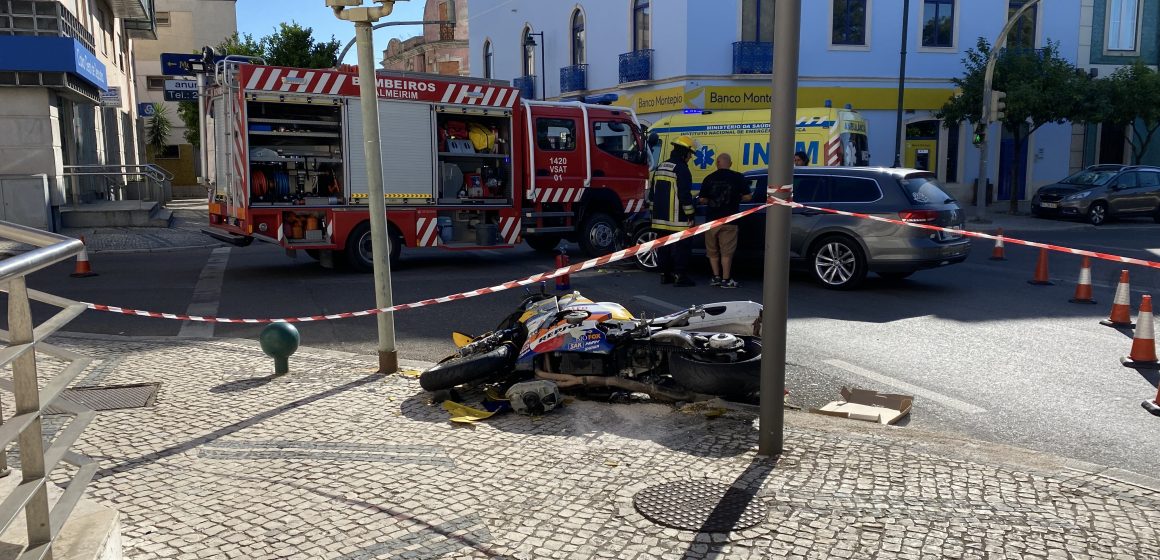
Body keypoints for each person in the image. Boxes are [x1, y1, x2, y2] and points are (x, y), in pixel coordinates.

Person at [649, 135, 698, 287]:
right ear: (684, 152)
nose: (690, 157)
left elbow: (652, 194)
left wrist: (653, 213)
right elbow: (684, 195)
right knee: (682, 248)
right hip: (678, 220)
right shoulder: (682, 169)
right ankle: (680, 275)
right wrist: (690, 214)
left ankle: (665, 275)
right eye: (690, 154)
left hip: (659, 219)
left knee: (663, 247)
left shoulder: (661, 167)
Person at [698, 153, 752, 288]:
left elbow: (702, 199)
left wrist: (711, 200)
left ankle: (716, 277)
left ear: (717, 163)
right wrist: (736, 198)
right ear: (731, 163)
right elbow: (748, 197)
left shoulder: (708, 178)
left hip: (711, 221)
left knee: (712, 251)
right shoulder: (738, 177)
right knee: (726, 252)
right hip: (730, 220)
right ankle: (726, 279)